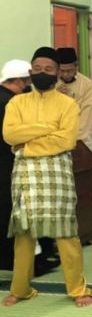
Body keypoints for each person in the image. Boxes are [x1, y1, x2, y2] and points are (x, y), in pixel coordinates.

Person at [2, 47, 92, 308]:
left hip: (58, 174)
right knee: (24, 232)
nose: (42, 72)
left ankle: (77, 288)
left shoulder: (68, 104)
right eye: (38, 69)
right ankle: (21, 289)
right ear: (31, 72)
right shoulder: (16, 103)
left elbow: (66, 140)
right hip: (25, 175)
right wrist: (46, 129)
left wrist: (27, 145)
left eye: (48, 69)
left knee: (65, 232)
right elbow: (10, 135)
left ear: (57, 73)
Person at [56, 47, 92, 246]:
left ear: (76, 66)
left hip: (80, 142)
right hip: (53, 143)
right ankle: (58, 234)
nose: (65, 74)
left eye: (69, 70)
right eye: (62, 70)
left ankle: (84, 232)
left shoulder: (87, 86)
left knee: (81, 190)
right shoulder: (51, 84)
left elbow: (86, 118)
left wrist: (71, 142)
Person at [0, 60, 32, 272]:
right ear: (19, 81)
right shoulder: (10, 103)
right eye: (27, 82)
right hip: (7, 164)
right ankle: (9, 259)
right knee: (8, 211)